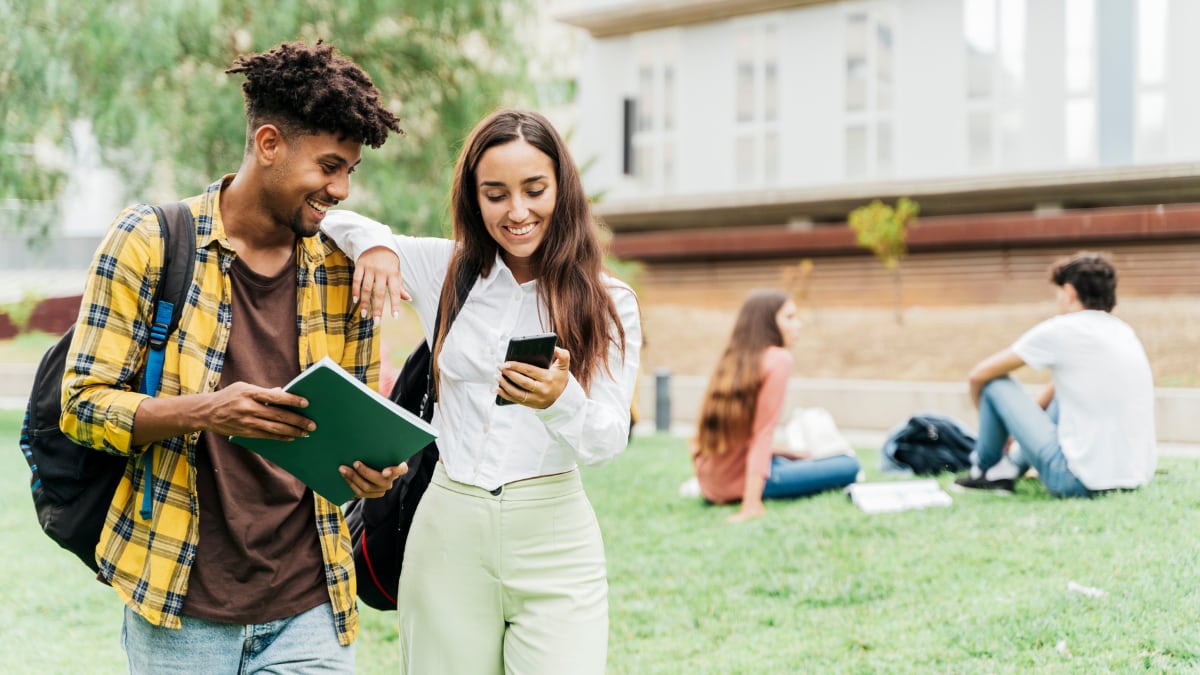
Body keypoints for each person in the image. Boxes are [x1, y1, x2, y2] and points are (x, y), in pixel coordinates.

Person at [59, 41, 404, 672]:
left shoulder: (344, 271)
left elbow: (348, 428)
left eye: (351, 170)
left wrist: (370, 471)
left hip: (310, 604)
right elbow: (82, 405)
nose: (342, 189)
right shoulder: (149, 242)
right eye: (329, 166)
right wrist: (209, 411)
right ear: (268, 144)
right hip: (181, 605)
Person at [322, 109, 642, 674]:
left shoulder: (609, 301)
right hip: (448, 526)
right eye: (496, 194)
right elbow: (331, 221)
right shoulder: (445, 270)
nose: (517, 212)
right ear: (474, 198)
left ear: (561, 190)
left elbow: (608, 442)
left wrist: (559, 401)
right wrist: (376, 245)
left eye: (534, 189)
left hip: (555, 535)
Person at [953, 251, 1157, 497]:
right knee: (1063, 394)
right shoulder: (1124, 332)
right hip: (1133, 478)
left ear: (1069, 292)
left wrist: (998, 431)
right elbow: (1055, 393)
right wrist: (1016, 428)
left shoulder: (1063, 329)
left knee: (995, 384)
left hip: (1075, 481)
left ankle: (984, 470)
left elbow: (978, 375)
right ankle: (1007, 470)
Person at [691, 289, 860, 523]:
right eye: (789, 318)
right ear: (767, 323)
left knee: (800, 457)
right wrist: (751, 505)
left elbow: (709, 436)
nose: (798, 325)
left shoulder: (732, 359)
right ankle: (751, 493)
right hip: (739, 483)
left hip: (711, 483)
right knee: (848, 464)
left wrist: (785, 452)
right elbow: (763, 433)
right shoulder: (778, 359)